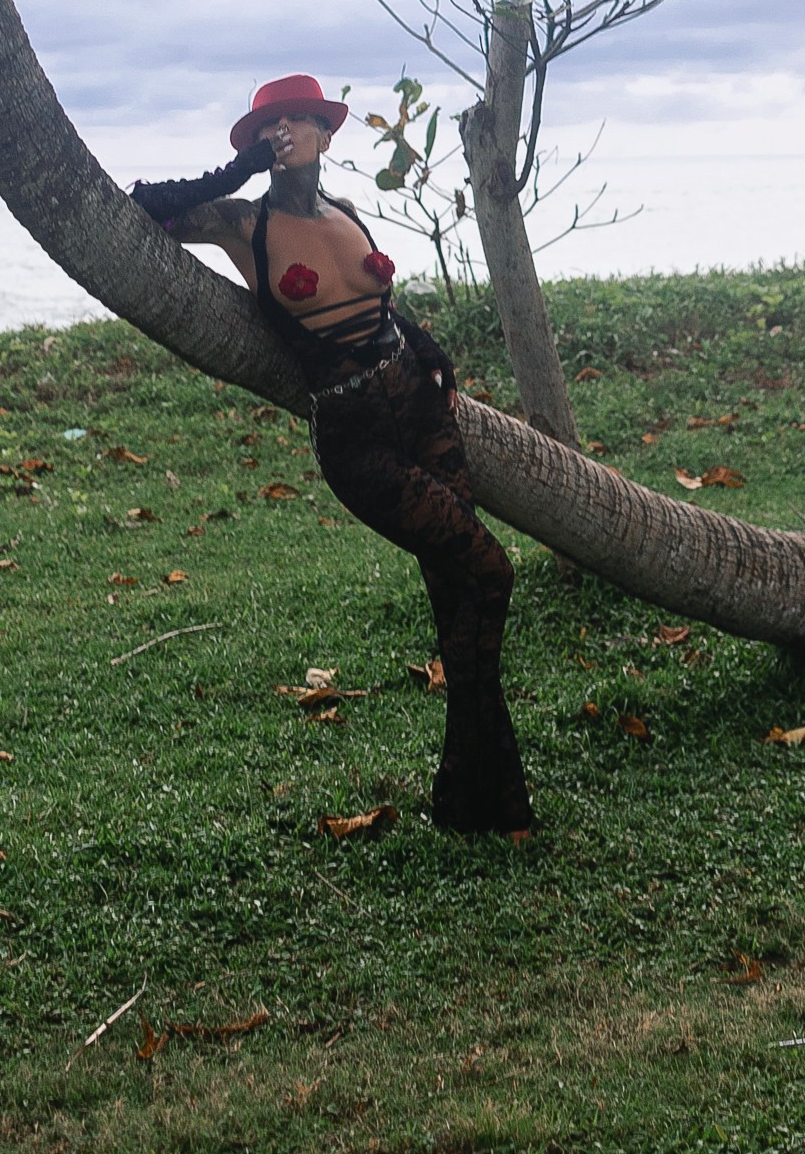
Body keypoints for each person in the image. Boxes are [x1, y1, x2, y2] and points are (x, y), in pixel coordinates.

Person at [131, 73, 533, 838]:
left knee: (457, 593)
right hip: (356, 437)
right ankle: (478, 792)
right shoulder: (242, 223)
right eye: (269, 125)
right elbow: (142, 205)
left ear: (325, 134)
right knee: (492, 571)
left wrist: (431, 351)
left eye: (298, 120)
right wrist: (241, 169)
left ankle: (476, 800)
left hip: (421, 409)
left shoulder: (347, 212)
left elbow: (380, 311)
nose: (285, 132)